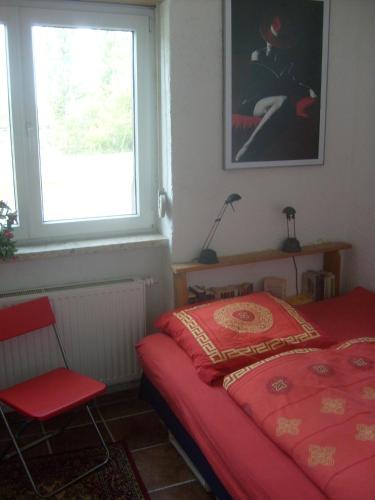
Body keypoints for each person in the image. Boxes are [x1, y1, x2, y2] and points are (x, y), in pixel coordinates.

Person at [234, 15, 318, 162]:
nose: (272, 45)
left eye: (277, 43)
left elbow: (300, 88)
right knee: (283, 101)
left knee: (285, 103)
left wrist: (306, 88)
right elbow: (257, 87)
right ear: (266, 39)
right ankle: (247, 150)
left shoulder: (289, 63)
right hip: (254, 103)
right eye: (271, 41)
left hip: (277, 103)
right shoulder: (257, 54)